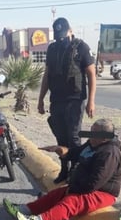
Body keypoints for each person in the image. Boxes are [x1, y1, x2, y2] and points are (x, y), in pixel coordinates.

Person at [3, 118, 121, 220]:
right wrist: (62, 151)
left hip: (102, 192)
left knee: (71, 202)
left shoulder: (109, 153)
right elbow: (76, 152)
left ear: (105, 137)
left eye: (94, 134)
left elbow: (95, 182)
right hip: (84, 186)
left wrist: (73, 190)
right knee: (55, 195)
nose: (90, 136)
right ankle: (24, 210)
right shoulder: (93, 143)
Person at [37, 17, 96, 185]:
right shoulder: (52, 49)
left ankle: (76, 173)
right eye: (58, 36)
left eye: (63, 35)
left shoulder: (82, 48)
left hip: (75, 100)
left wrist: (91, 101)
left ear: (70, 31)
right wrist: (40, 99)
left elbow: (91, 75)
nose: (60, 39)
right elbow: (47, 76)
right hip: (57, 100)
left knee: (74, 138)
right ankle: (64, 169)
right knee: (60, 137)